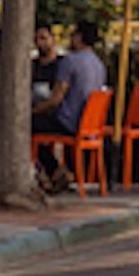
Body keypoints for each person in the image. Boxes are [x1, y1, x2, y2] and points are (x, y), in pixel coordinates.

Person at [35, 20, 107, 187]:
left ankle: (55, 170)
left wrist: (35, 110)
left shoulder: (69, 61)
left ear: (79, 38)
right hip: (90, 124)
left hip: (68, 122)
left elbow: (56, 99)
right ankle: (60, 172)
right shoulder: (98, 64)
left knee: (28, 125)